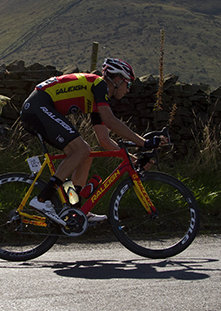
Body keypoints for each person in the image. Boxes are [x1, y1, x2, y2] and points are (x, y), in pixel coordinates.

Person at [19, 58, 164, 226]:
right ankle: (42, 199)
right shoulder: (100, 85)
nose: (128, 90)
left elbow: (104, 140)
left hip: (40, 107)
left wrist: (133, 160)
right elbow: (110, 121)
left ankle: (76, 210)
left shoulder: (97, 98)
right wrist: (144, 143)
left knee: (85, 154)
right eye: (128, 84)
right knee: (81, 150)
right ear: (117, 80)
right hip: (39, 106)